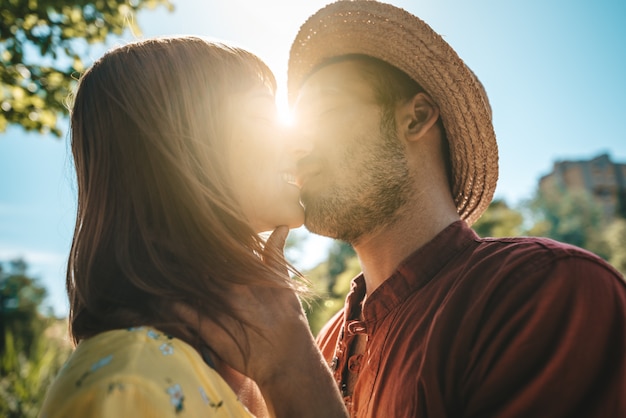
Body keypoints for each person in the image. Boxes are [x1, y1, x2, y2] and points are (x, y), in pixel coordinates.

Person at [287, 1, 626, 417]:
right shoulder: (324, 343)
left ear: (417, 118)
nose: (297, 148)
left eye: (324, 113)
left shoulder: (541, 291)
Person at [39, 36, 347, 418]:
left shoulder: (215, 370)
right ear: (186, 146)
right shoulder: (131, 388)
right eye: (263, 118)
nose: (299, 145)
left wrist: (290, 365)